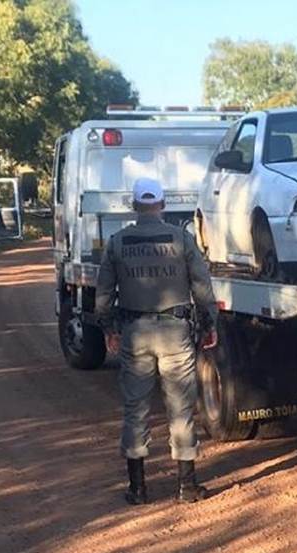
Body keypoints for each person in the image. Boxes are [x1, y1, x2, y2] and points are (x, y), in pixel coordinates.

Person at [95, 177, 219, 505]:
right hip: (175, 333)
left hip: (135, 334)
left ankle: (138, 488)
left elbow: (104, 292)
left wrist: (108, 328)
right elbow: (201, 284)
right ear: (162, 204)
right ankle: (187, 485)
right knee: (180, 407)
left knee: (135, 408)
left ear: (135, 206)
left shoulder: (117, 242)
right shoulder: (181, 238)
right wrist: (209, 322)